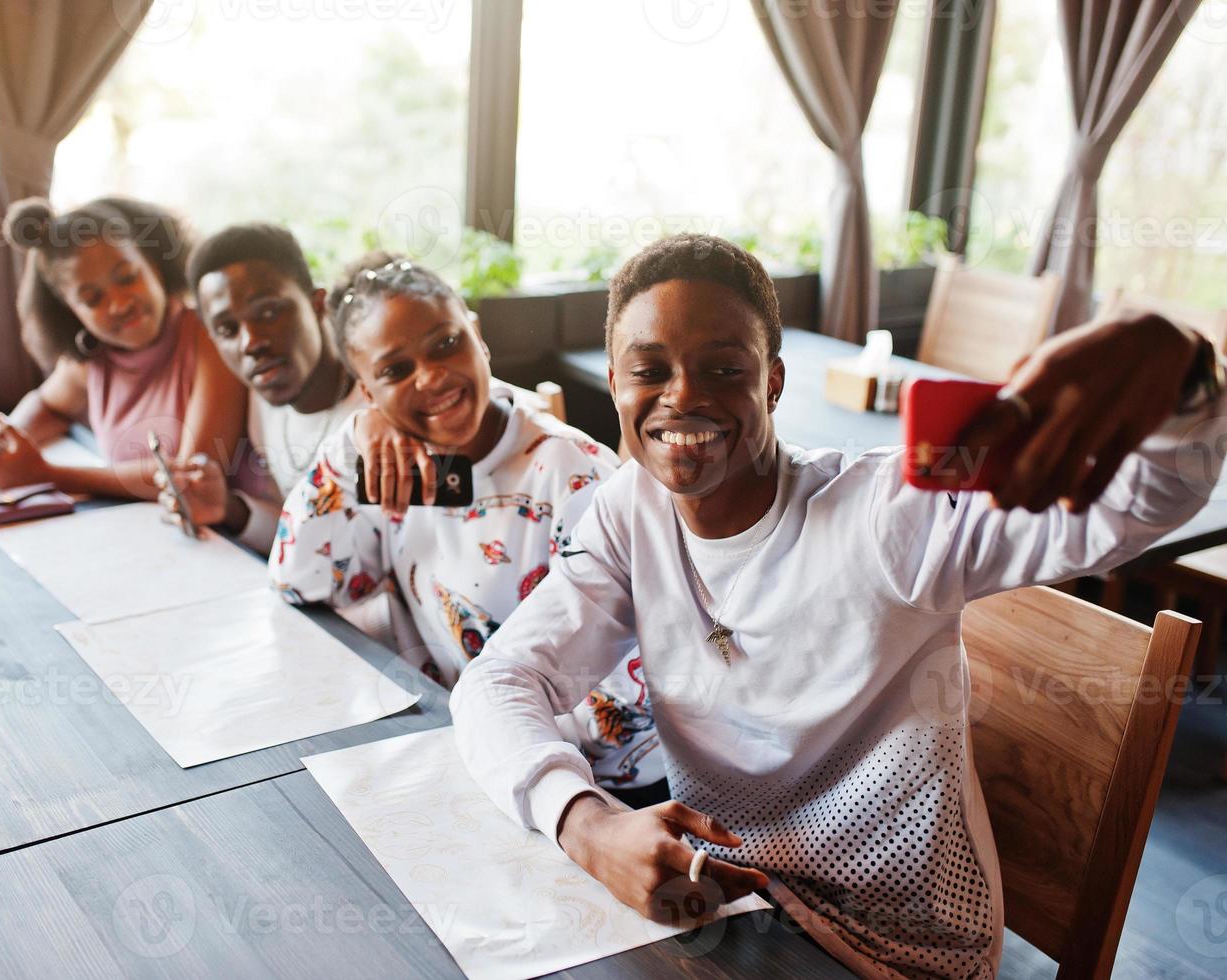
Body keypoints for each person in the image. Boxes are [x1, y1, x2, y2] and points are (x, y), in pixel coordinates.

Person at [448, 234, 1227, 978]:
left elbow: (1144, 501)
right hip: (724, 902)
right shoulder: (630, 511)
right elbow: (499, 681)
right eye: (648, 370)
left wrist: (1185, 376)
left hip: (894, 949)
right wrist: (586, 824)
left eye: (722, 369)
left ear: (772, 382)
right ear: (614, 385)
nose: (682, 395)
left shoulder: (889, 514)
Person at [269, 253, 665, 797]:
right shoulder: (390, 467)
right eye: (394, 371)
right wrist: (350, 443)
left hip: (581, 787)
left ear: (477, 336)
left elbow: (623, 702)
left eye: (445, 344)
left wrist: (488, 749)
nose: (430, 376)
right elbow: (302, 580)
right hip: (451, 752)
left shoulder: (573, 476)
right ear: (367, 393)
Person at [0, 197, 246, 500]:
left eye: (127, 278)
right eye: (93, 299)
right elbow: (47, 405)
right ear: (70, 311)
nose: (120, 304)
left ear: (154, 264)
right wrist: (3, 443)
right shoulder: (92, 358)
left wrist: (45, 474)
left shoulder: (209, 339)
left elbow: (191, 477)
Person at [155, 223, 364, 555]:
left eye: (269, 312)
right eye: (227, 329)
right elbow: (301, 535)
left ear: (317, 304)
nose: (251, 343)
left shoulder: (379, 407)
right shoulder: (263, 403)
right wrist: (230, 509)